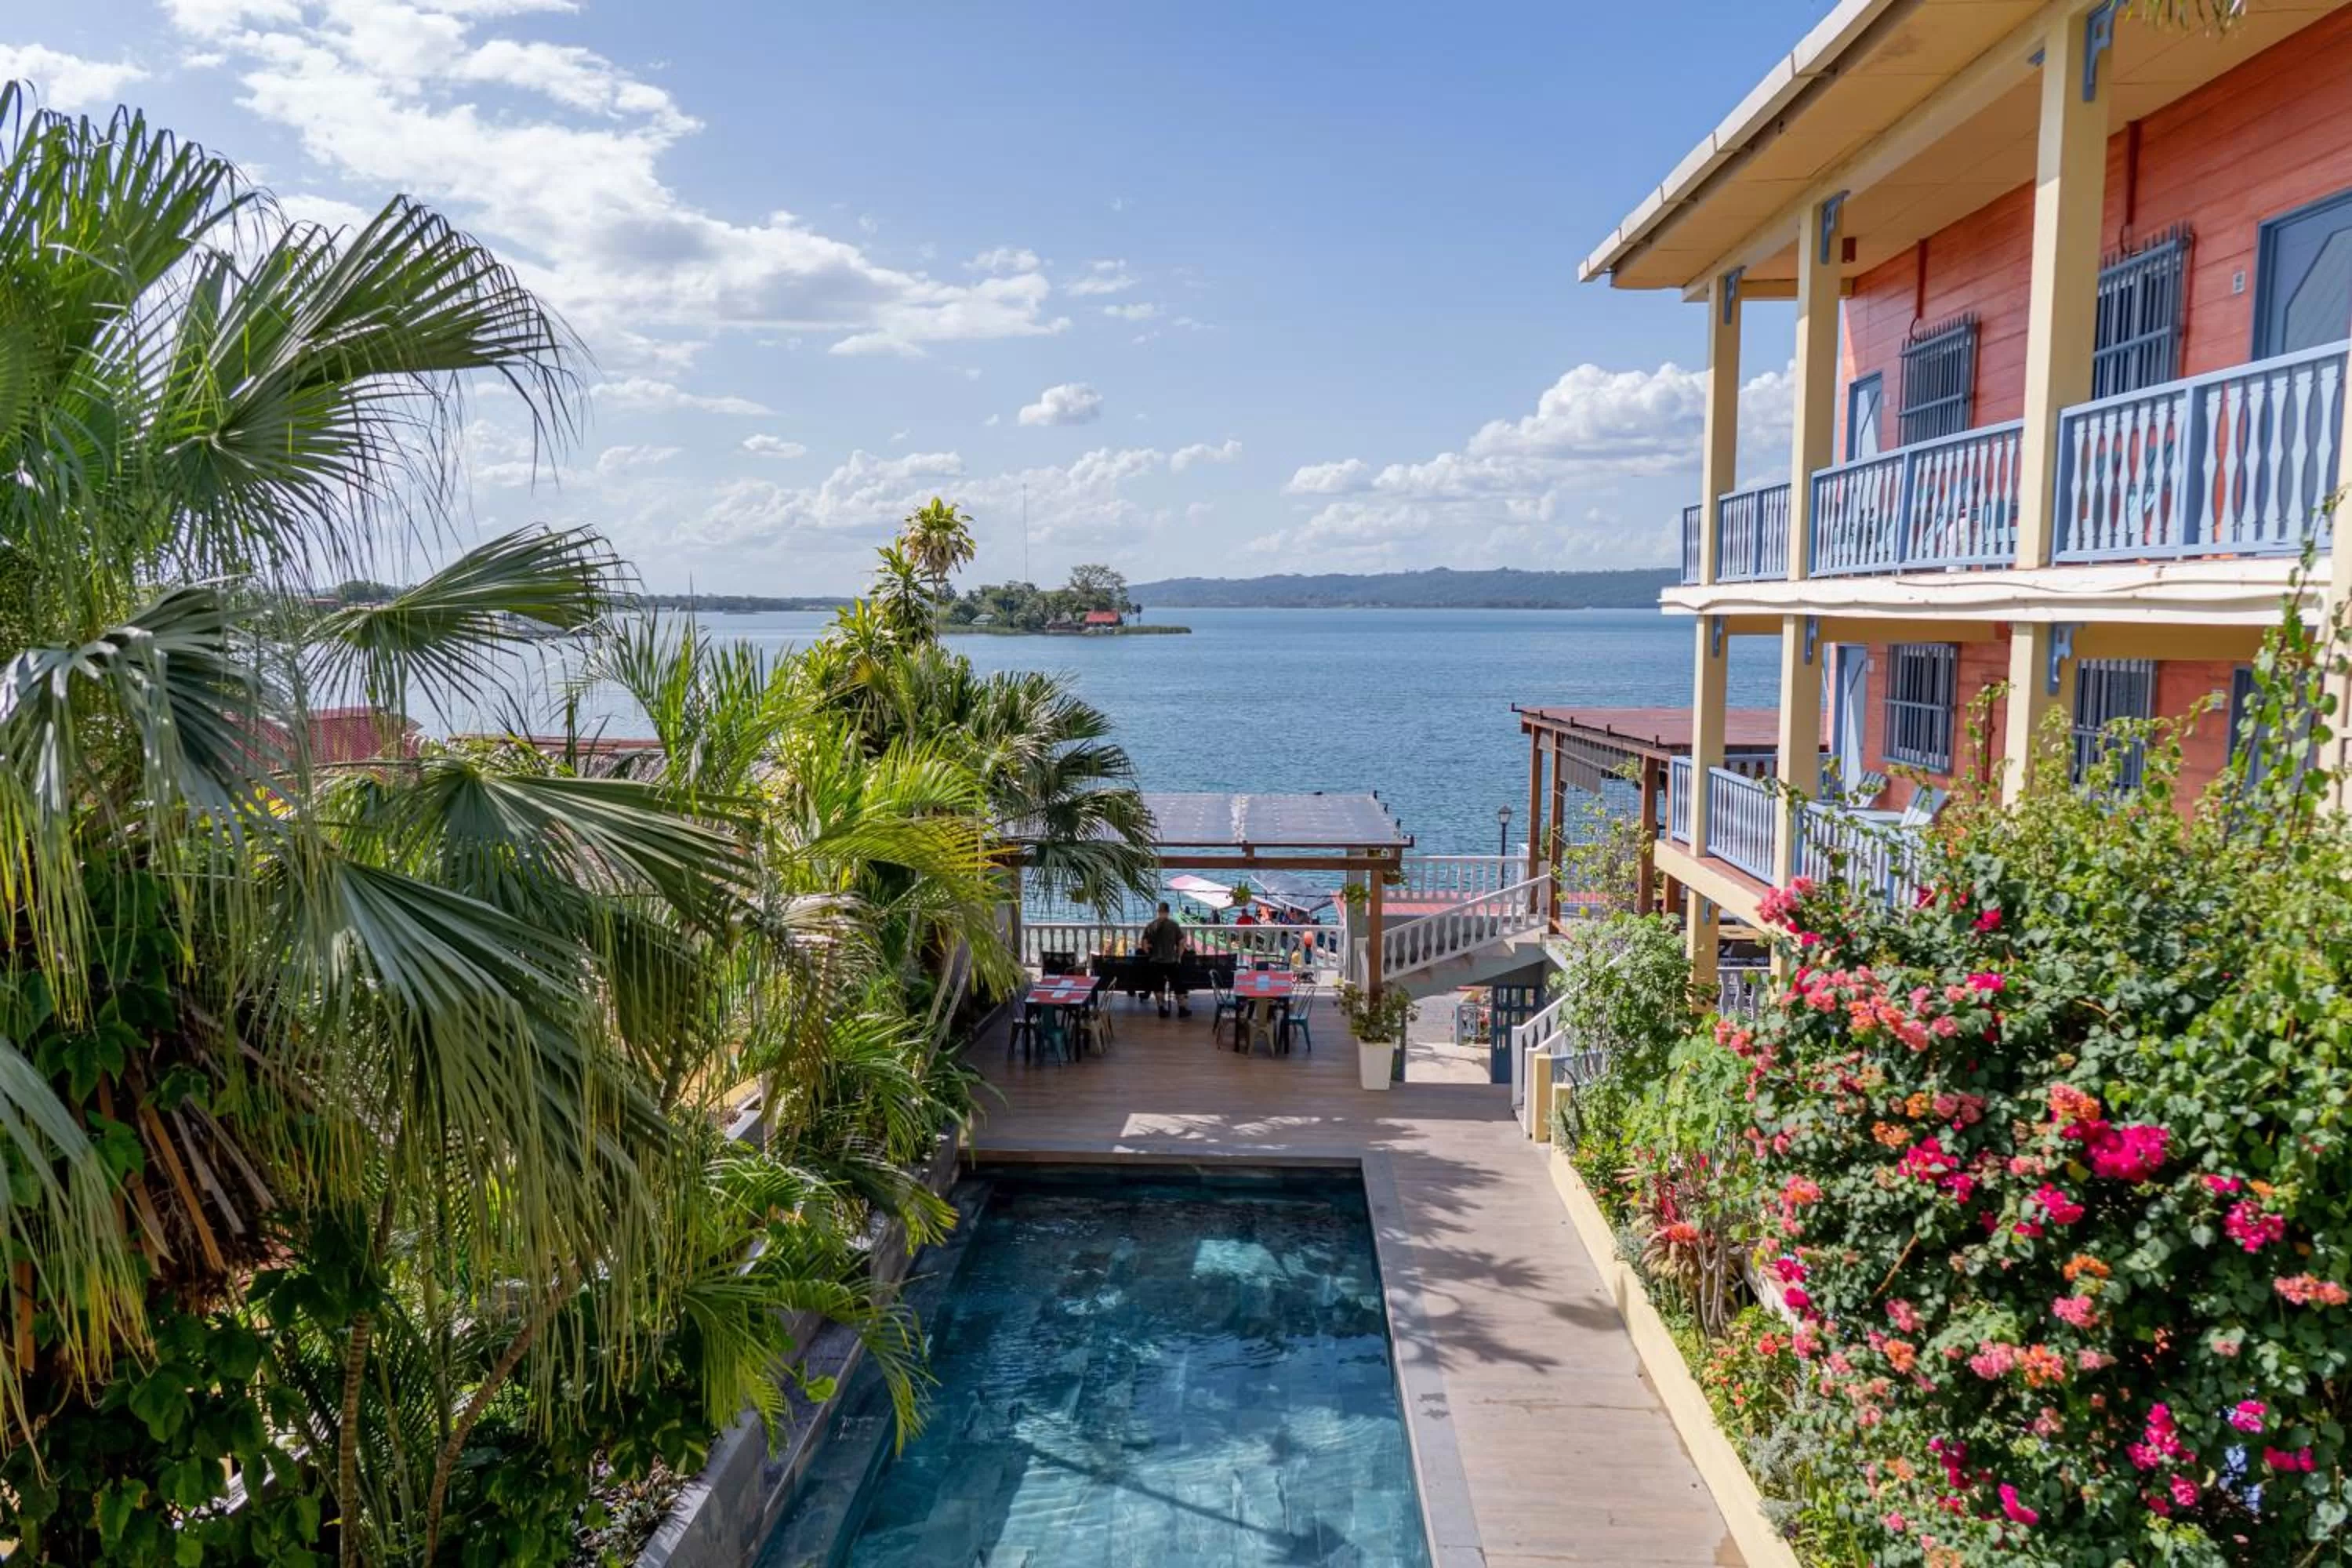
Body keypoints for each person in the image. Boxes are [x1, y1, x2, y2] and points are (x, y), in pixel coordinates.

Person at [1140, 901, 1191, 1018]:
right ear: (1168, 912)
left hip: (1156, 961)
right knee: (1178, 984)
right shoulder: (1174, 925)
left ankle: (1162, 1009)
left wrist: (1150, 953)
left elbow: (1144, 945)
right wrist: (1179, 956)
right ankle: (1182, 1009)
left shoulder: (1151, 926)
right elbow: (1181, 942)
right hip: (1171, 961)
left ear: (1158, 912)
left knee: (1159, 986)